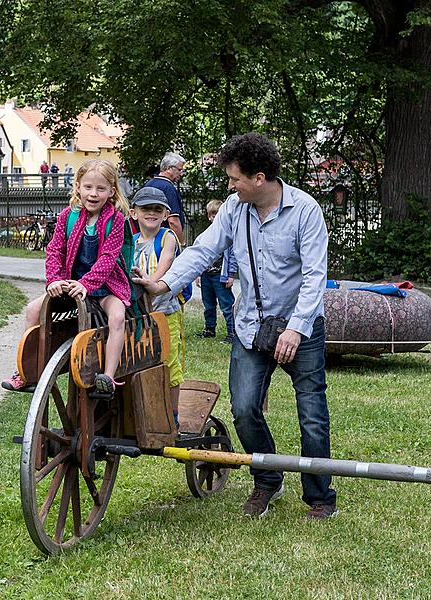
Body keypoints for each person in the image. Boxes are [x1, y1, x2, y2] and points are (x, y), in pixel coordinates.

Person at [132, 132, 337, 520]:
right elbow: (203, 251)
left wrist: (296, 328)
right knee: (244, 409)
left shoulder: (306, 211)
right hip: (250, 327)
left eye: (234, 178)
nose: (229, 185)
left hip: (301, 327)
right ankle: (268, 479)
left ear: (259, 178)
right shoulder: (233, 209)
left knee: (311, 412)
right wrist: (164, 284)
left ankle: (320, 496)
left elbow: (315, 276)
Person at [2, 159, 131, 393]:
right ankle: (27, 373)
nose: (93, 194)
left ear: (111, 191)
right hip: (70, 284)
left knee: (117, 317)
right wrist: (55, 280)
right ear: (78, 188)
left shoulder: (116, 221)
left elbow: (108, 258)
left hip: (105, 286)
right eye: (88, 187)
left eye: (101, 189)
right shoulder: (67, 217)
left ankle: (108, 377)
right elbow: (55, 250)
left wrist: (86, 285)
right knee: (33, 310)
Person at [130, 186, 185, 424]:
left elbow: (167, 260)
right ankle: (141, 410)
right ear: (134, 214)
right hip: (140, 315)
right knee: (139, 360)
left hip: (165, 312)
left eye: (157, 210)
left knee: (169, 361)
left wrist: (152, 282)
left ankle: (173, 415)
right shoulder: (132, 242)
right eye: (145, 209)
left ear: (165, 215)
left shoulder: (167, 236)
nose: (151, 213)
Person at [196, 199, 237, 344]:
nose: (214, 218)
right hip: (207, 275)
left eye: (217, 215)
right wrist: (198, 273)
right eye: (212, 215)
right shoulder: (206, 235)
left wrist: (231, 274)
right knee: (208, 304)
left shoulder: (228, 236)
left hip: (221, 276)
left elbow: (233, 256)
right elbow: (200, 254)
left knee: (227, 305)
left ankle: (233, 332)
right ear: (208, 216)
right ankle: (209, 329)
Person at [142, 152, 187, 244]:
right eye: (179, 170)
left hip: (148, 238)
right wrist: (181, 243)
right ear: (169, 169)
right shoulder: (168, 188)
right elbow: (173, 221)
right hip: (165, 240)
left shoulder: (148, 185)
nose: (181, 173)